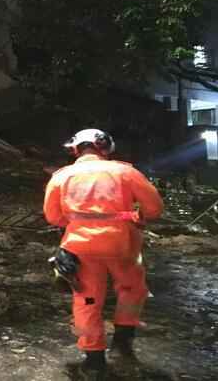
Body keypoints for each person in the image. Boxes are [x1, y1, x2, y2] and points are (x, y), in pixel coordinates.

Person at [44, 129, 164, 380]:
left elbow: (54, 217)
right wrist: (131, 217)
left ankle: (94, 361)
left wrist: (81, 220)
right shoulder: (125, 172)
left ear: (75, 150)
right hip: (122, 244)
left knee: (87, 300)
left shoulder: (61, 176)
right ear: (105, 148)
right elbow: (153, 209)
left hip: (80, 246)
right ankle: (123, 341)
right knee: (132, 289)